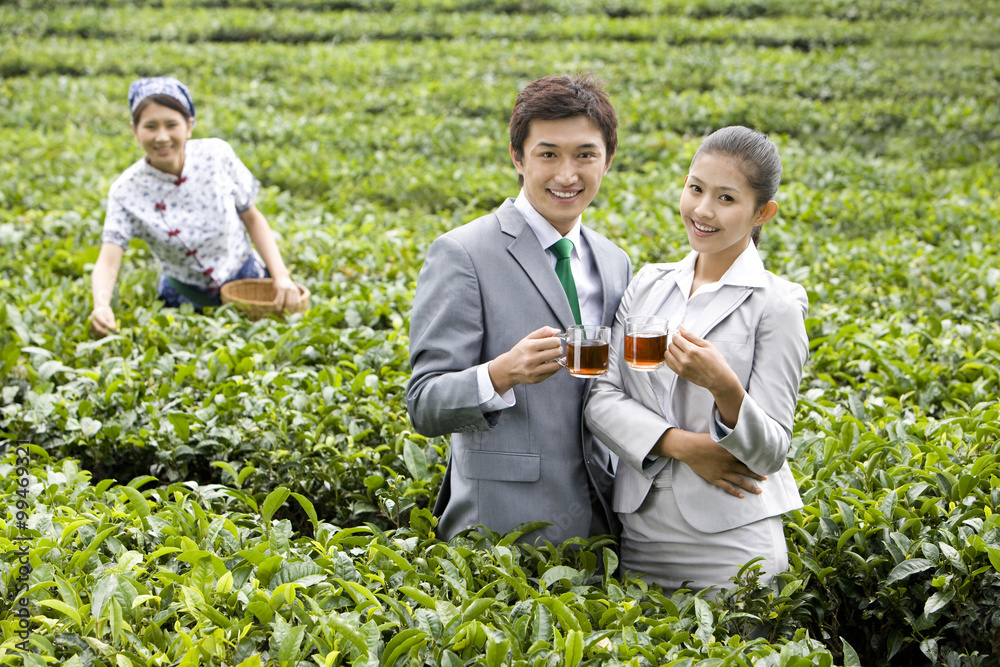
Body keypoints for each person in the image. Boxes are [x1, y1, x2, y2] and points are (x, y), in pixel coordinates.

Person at [406, 75, 632, 545]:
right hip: (500, 530)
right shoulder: (462, 253)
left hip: (601, 522)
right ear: (517, 157)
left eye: (585, 155)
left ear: (607, 160)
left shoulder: (614, 262)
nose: (567, 175)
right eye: (548, 154)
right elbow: (425, 404)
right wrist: (499, 374)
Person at [585, 126, 808, 597]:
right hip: (643, 530)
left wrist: (724, 386)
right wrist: (681, 444)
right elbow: (600, 397)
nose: (703, 211)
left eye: (726, 198)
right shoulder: (648, 283)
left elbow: (771, 451)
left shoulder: (777, 303)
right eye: (696, 189)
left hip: (733, 542)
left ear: (761, 212)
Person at [89, 76, 300, 337]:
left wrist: (280, 276)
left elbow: (252, 218)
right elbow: (109, 259)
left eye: (171, 125)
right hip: (184, 301)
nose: (162, 137)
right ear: (135, 130)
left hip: (249, 283)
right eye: (151, 126)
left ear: (189, 126)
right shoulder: (126, 191)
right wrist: (101, 305)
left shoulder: (217, 155)